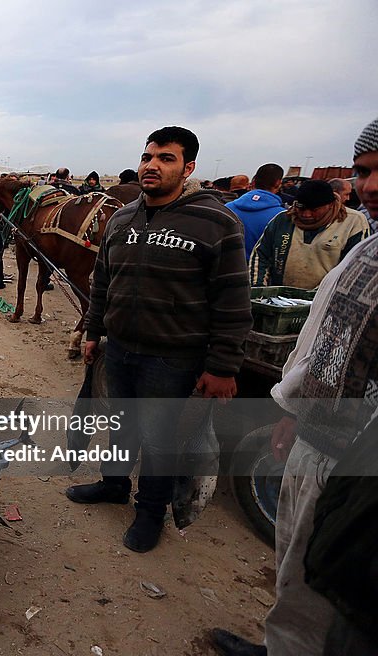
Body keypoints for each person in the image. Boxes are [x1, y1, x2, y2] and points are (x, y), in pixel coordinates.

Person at [210, 116, 378, 656]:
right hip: (318, 436)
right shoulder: (363, 248)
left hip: (359, 462)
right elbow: (329, 333)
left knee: (340, 584)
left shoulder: (353, 231)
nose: (371, 185)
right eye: (364, 171)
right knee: (299, 568)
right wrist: (293, 408)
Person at [68, 126, 252, 553]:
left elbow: (232, 300)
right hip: (120, 347)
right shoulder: (121, 218)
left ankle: (150, 512)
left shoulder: (216, 223)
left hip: (172, 357)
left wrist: (222, 366)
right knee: (121, 424)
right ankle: (113, 485)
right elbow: (103, 284)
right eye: (148, 156)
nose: (152, 165)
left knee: (158, 438)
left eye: (166, 158)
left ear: (188, 168)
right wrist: (93, 333)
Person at [249, 179, 370, 289]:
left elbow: (352, 268)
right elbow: (260, 255)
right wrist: (258, 289)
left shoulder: (353, 222)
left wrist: (318, 295)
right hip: (280, 300)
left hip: (324, 301)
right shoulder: (283, 219)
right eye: (301, 208)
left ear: (329, 205)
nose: (306, 215)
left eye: (314, 210)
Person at [225, 163, 286, 260]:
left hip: (225, 269)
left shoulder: (226, 208)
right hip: (258, 272)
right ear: (278, 183)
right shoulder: (283, 216)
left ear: (253, 182)